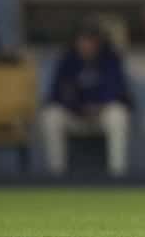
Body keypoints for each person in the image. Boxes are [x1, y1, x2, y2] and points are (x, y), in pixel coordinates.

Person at [40, 19, 131, 176]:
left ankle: (117, 175)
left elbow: (118, 91)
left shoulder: (111, 59)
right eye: (83, 40)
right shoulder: (67, 60)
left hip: (102, 115)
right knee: (51, 116)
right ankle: (56, 174)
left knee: (118, 114)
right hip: (75, 115)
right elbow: (57, 94)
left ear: (99, 42)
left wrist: (100, 105)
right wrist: (77, 107)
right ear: (76, 42)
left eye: (91, 41)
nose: (87, 45)